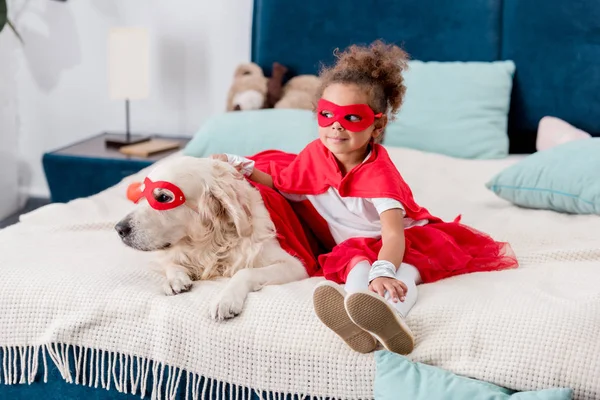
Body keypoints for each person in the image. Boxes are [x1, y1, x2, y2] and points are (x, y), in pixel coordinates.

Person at [211, 40, 518, 355]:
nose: (336, 127)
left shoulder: (380, 176)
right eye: (327, 115)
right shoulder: (316, 155)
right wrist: (243, 166)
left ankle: (394, 317)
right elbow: (283, 183)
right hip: (358, 246)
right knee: (357, 270)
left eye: (352, 118)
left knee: (400, 274)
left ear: (377, 125)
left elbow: (393, 233)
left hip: (402, 243)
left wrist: (384, 269)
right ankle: (358, 321)